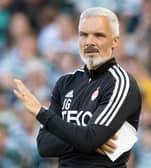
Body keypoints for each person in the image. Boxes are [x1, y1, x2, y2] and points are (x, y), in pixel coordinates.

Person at [13, 7, 142, 168]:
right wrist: (87, 140)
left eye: (98, 35)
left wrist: (42, 114)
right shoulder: (65, 82)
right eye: (84, 35)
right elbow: (44, 146)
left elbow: (89, 140)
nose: (89, 42)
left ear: (115, 40)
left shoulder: (121, 83)